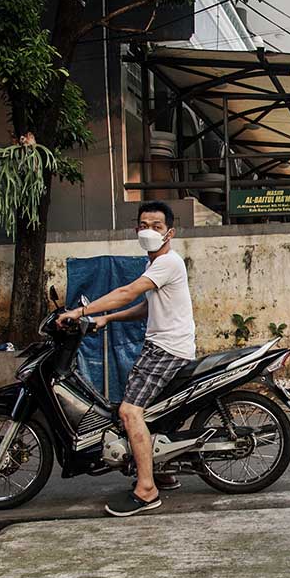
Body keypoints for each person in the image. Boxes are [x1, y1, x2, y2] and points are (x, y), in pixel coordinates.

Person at [58, 200, 196, 517]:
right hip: (164, 345)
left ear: (170, 232)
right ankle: (163, 470)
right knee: (152, 412)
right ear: (137, 229)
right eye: (144, 225)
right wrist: (110, 319)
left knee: (130, 412)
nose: (149, 231)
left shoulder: (167, 263)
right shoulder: (156, 265)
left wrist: (80, 311)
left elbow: (128, 292)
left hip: (167, 349)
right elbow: (148, 306)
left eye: (157, 226)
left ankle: (147, 489)